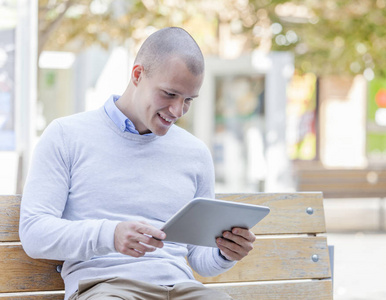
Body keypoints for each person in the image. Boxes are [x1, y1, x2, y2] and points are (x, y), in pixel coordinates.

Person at [19, 27, 256, 300]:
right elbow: (34, 232)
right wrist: (111, 234)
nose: (178, 111)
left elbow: (200, 260)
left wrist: (225, 252)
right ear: (137, 75)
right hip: (106, 287)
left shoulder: (195, 153)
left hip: (181, 288)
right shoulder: (66, 135)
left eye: (188, 100)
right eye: (169, 94)